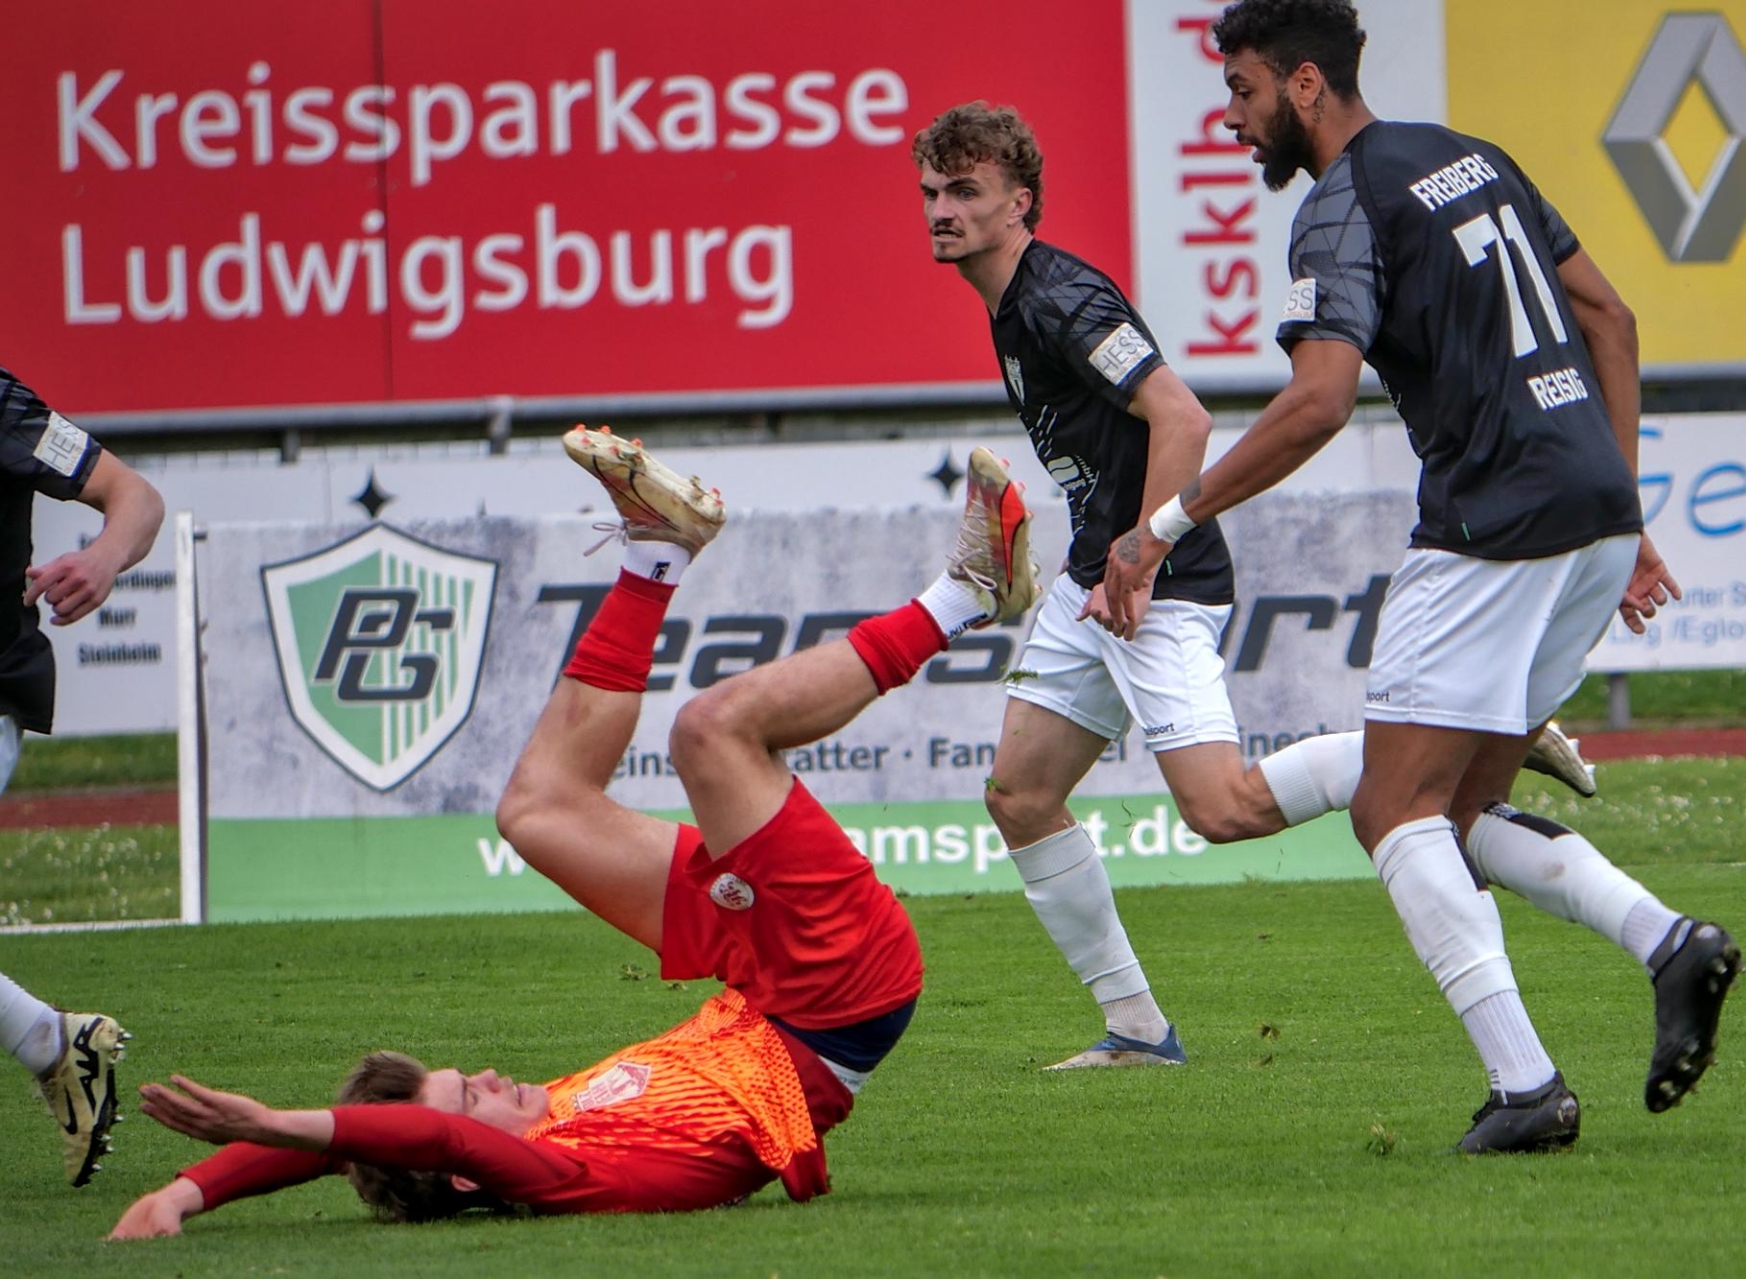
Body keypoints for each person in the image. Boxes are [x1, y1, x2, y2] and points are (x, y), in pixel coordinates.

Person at [108, 429, 1036, 1237]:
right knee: (712, 732)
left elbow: (384, 1146)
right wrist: (279, 1122)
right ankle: (964, 595)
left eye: (462, 1077)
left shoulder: (515, 1136)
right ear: (471, 1167)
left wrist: (191, 1190)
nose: (487, 1074)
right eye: (470, 1097)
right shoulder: (559, 1178)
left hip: (761, 980)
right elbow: (426, 1137)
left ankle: (656, 553)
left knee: (537, 810)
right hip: (836, 992)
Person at [1104, 0, 1742, 1151]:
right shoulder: (1473, 157)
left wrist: (1161, 524)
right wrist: (1623, 496)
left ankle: (1527, 1089)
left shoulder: (1341, 205)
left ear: (1303, 87)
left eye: (1243, 91)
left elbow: (1316, 402)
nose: (1235, 119)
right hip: (1591, 516)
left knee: (1390, 811)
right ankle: (1668, 943)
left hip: (1491, 526)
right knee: (1458, 809)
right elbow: (1612, 315)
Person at [914, 101, 1596, 1072]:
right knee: (1020, 796)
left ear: (1020, 203)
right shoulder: (1012, 300)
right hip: (1091, 574)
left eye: (966, 192)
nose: (941, 209)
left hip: (1149, 577)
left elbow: (1181, 419)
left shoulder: (1061, 297)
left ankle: (1475, 732)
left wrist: (1142, 552)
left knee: (1223, 808)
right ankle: (1140, 1034)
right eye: (933, 192)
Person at [3, 363, 162, 1186]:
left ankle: (48, 1039)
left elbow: (135, 495)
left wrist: (103, 557)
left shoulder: (2, 406)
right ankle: (49, 1040)